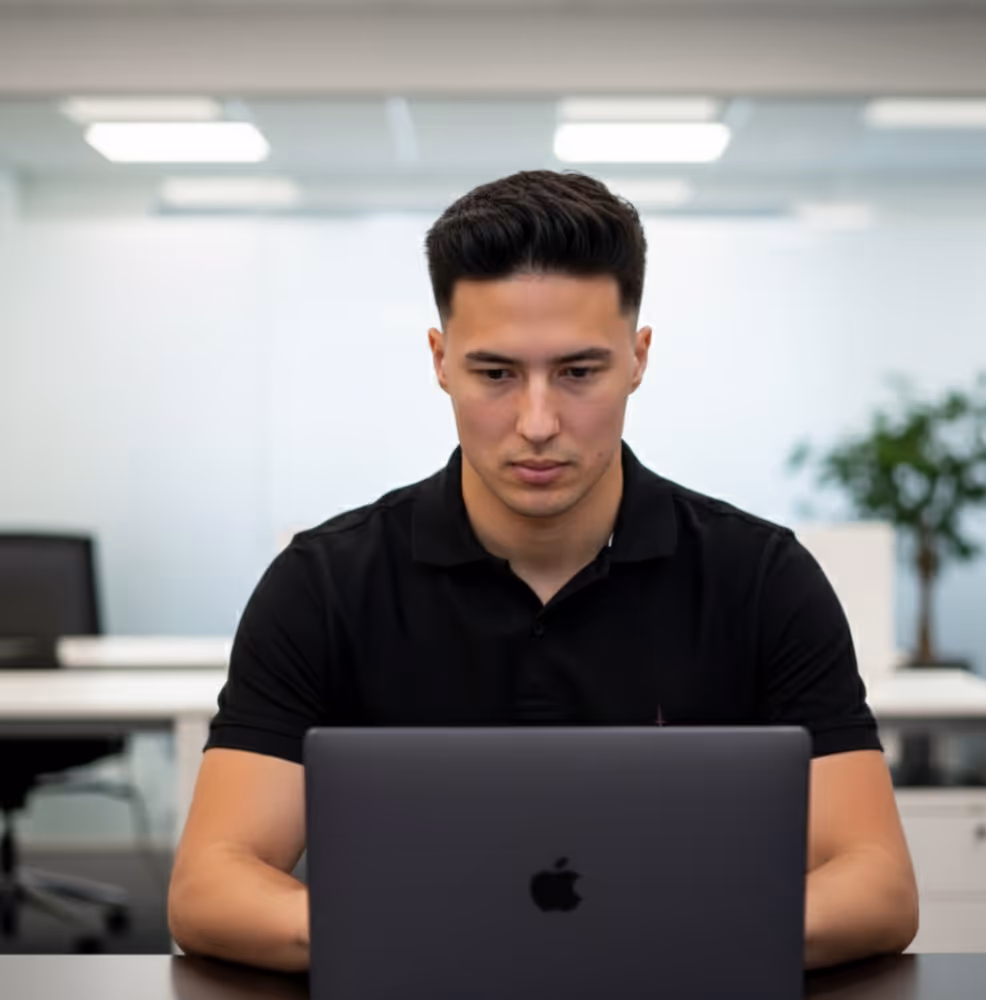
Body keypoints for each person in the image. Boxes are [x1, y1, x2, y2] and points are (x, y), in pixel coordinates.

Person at [167, 170, 918, 973]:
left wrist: (641, 939)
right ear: (440, 361)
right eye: (495, 374)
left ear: (638, 358)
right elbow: (209, 885)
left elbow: (878, 887)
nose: (537, 423)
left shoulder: (763, 578)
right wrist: (434, 937)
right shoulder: (324, 583)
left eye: (578, 372)